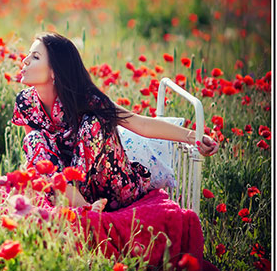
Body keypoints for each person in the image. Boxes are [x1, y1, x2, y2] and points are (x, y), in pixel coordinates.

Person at [12, 32, 219, 213]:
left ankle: (85, 208)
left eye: (36, 56)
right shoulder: (26, 103)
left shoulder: (87, 99)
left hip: (113, 188)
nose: (26, 60)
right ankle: (83, 208)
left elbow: (140, 124)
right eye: (29, 54)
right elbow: (38, 158)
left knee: (92, 123)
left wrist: (194, 137)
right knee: (33, 139)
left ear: (54, 71)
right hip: (72, 191)